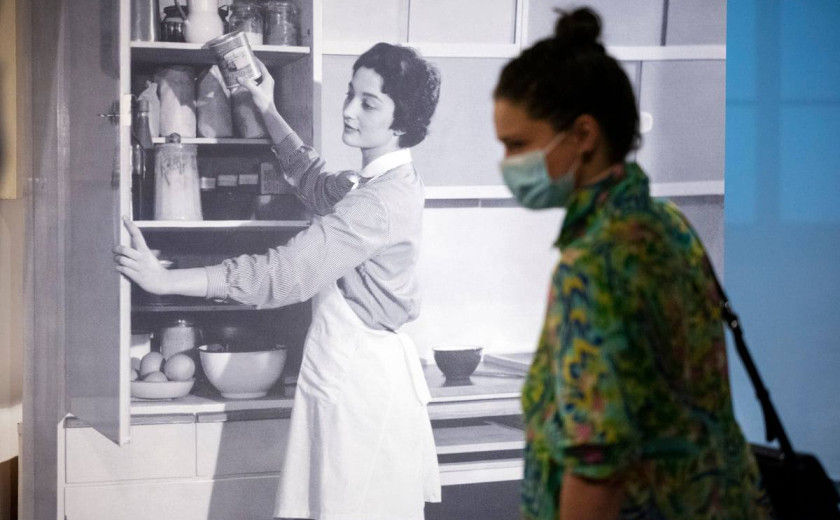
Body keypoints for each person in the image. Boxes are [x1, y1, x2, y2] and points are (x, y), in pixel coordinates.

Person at [114, 42, 442, 520]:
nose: (349, 110)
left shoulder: (377, 203)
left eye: (368, 103)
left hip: (361, 385)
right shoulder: (375, 185)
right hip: (350, 372)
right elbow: (315, 182)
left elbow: (283, 275)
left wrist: (165, 281)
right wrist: (267, 107)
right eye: (350, 94)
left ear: (402, 121)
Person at [492, 8, 773, 520]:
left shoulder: (595, 263)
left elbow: (598, 467)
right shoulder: (668, 224)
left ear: (583, 135)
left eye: (518, 145)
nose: (508, 165)